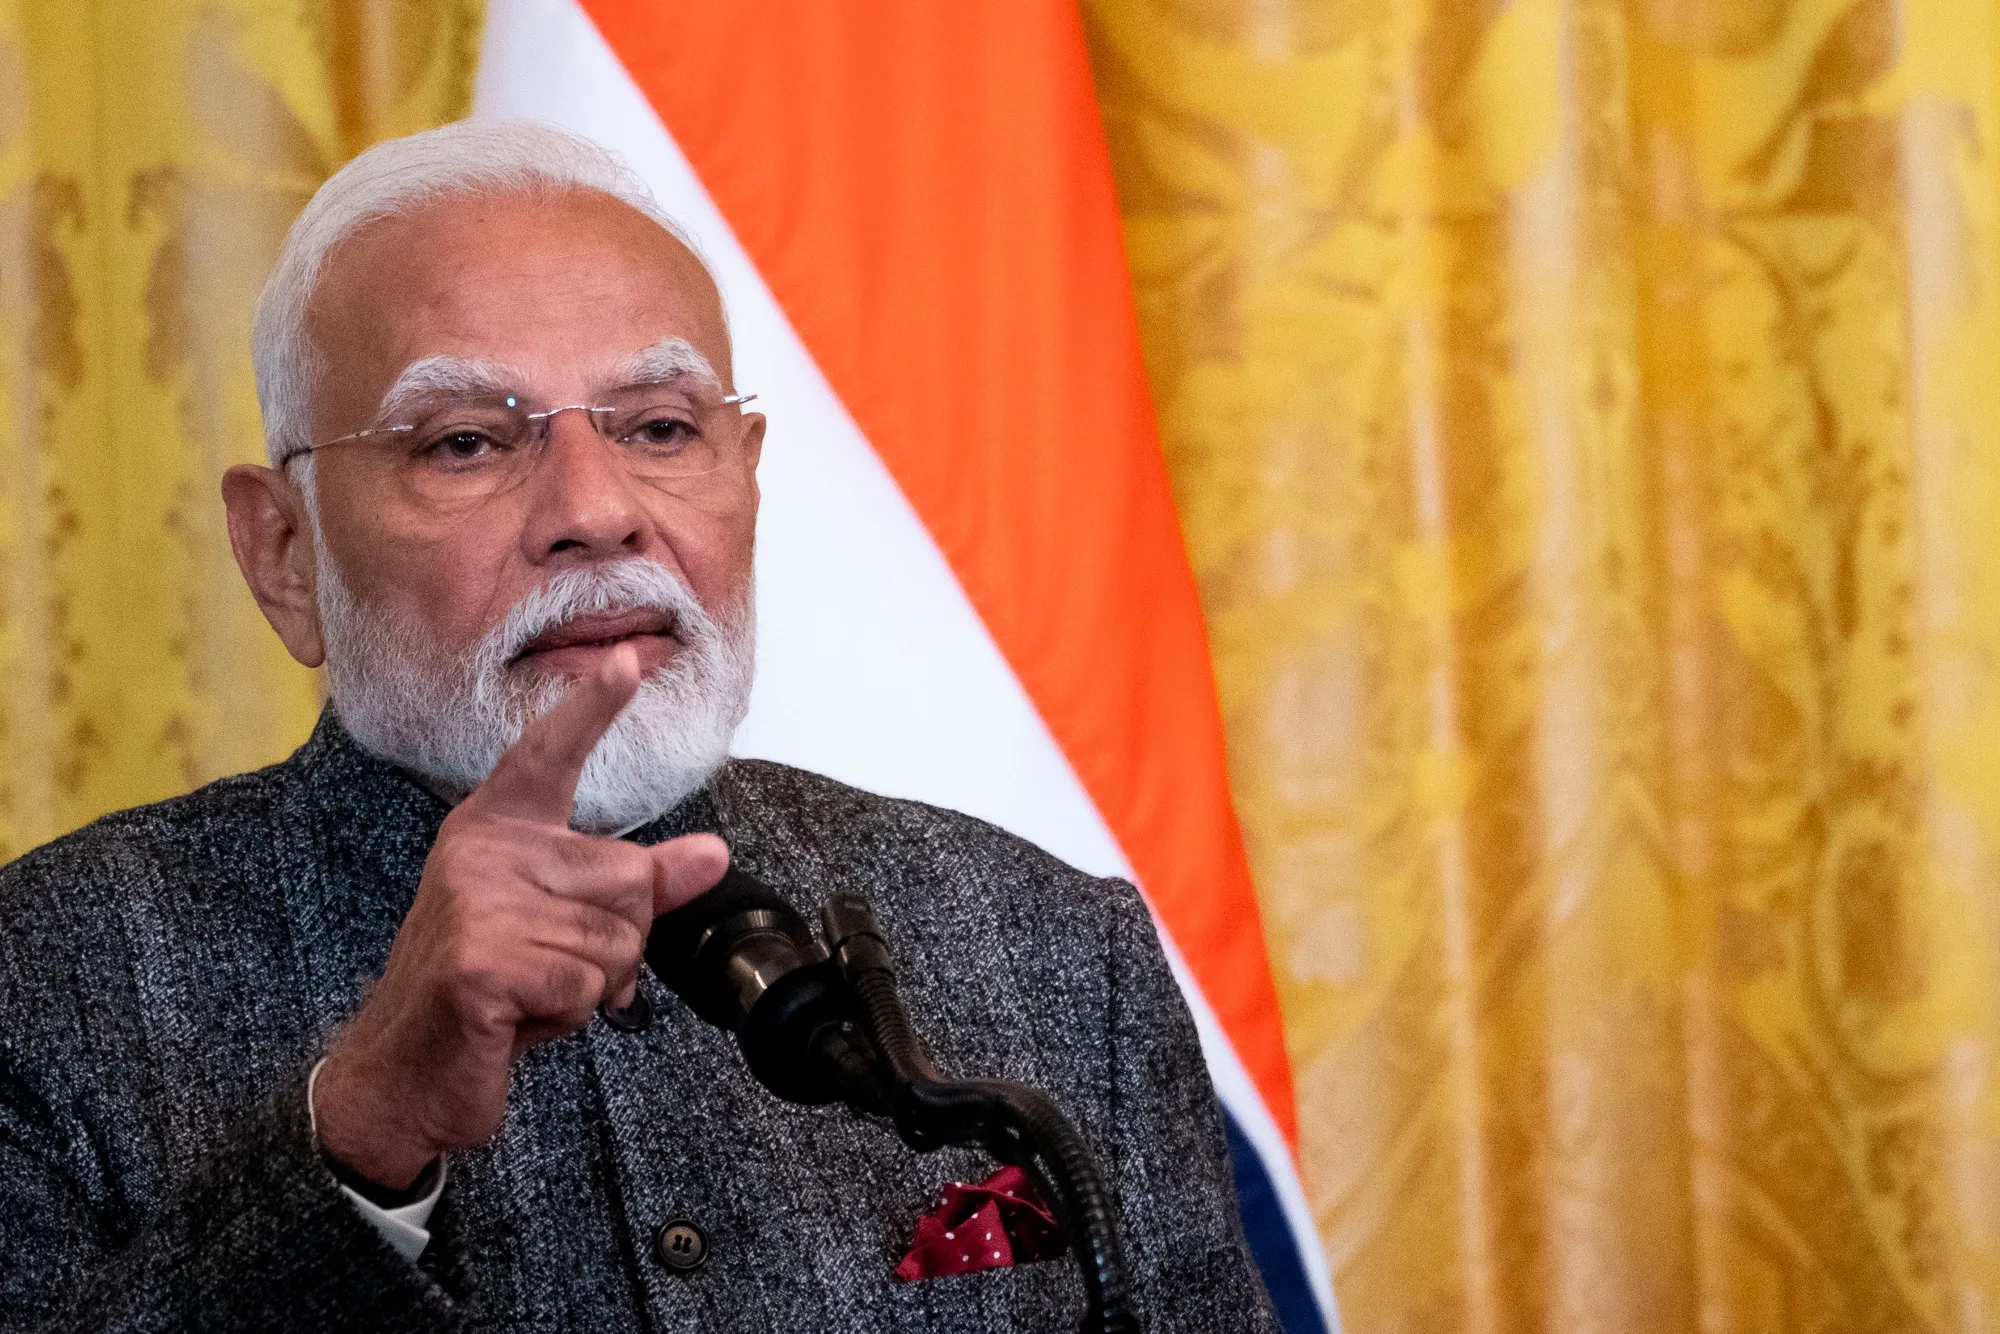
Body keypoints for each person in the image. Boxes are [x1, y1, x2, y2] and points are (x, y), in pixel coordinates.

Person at [0, 121, 1277, 1331]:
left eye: (661, 427)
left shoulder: (1058, 948)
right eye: (464, 443)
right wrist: (367, 1125)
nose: (595, 510)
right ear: (283, 551)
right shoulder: (43, 983)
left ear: (746, 479)